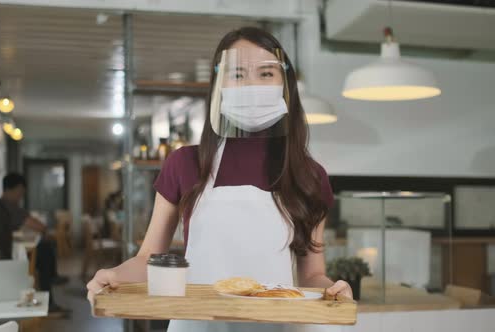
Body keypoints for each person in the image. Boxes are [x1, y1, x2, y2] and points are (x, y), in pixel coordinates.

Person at [87, 27, 352, 331]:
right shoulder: (184, 163)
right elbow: (150, 258)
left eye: (266, 74)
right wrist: (115, 274)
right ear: (218, 86)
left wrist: (333, 289)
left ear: (285, 85)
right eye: (237, 74)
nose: (252, 85)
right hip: (195, 325)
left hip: (273, 326)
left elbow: (311, 276)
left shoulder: (309, 175)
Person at [0, 172, 70, 316]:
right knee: (44, 250)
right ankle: (50, 289)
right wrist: (46, 232)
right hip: (7, 255)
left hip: (5, 250)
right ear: (15, 189)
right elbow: (40, 227)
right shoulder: (10, 207)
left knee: (44, 247)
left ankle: (52, 277)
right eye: (20, 192)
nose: (21, 196)